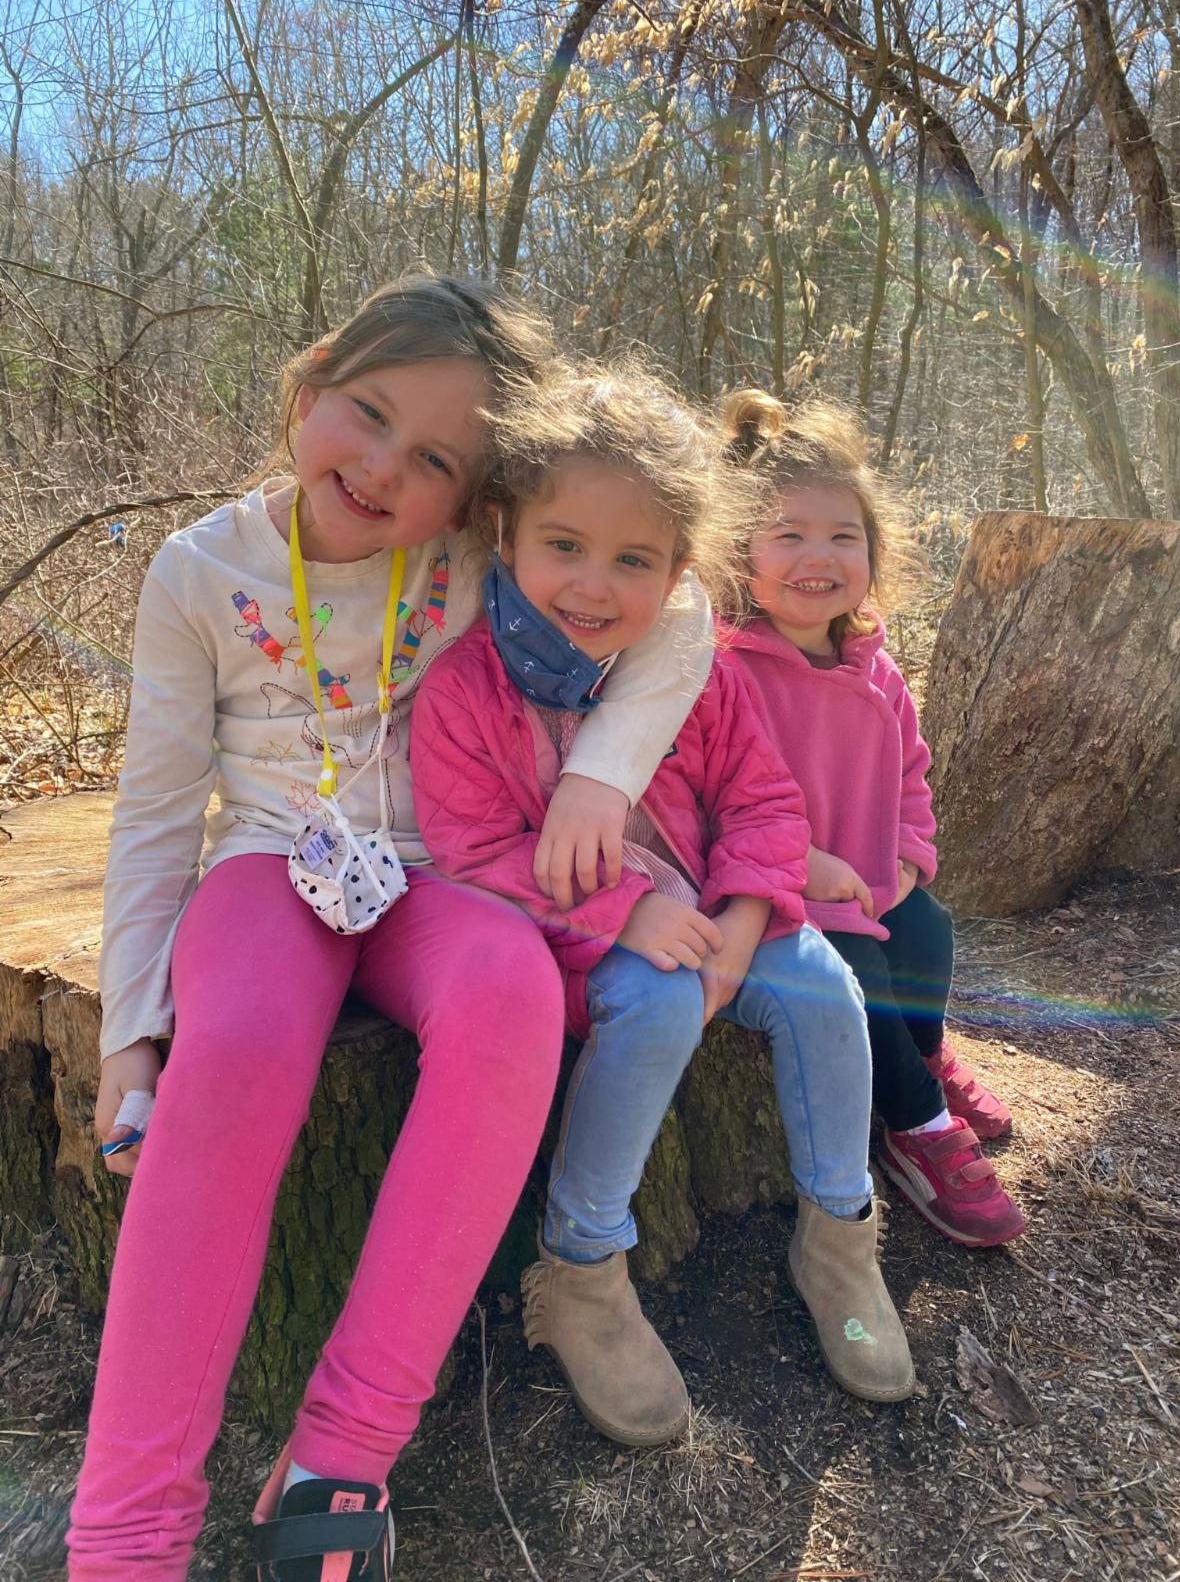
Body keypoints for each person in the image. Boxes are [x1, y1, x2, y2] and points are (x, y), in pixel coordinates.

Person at [66, 275, 715, 1582]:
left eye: (434, 462)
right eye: (367, 415)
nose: (382, 470)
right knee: (240, 1047)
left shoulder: (482, 554)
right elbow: (155, 812)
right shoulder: (198, 571)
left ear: (475, 494)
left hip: (448, 876)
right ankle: (127, 1529)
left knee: (512, 1000)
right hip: (268, 866)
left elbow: (686, 610)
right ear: (311, 382)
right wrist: (131, 1032)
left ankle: (340, 1456)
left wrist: (600, 779)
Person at [411, 361, 914, 1450]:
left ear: (681, 571)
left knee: (825, 987)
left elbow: (765, 801)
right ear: (505, 535)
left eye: (633, 560)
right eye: (565, 546)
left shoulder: (699, 674)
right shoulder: (463, 688)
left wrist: (747, 917)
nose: (594, 586)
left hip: (716, 915)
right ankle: (582, 1268)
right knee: (659, 1001)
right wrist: (626, 912)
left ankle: (838, 1236)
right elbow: (474, 851)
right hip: (581, 945)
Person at [720, 389, 1025, 1250]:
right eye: (787, 535)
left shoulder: (875, 667)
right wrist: (799, 864)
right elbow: (706, 799)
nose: (818, 557)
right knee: (855, 975)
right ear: (735, 550)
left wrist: (909, 858)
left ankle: (924, 1056)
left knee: (928, 930)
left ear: (873, 551)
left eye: (843, 537)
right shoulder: (724, 668)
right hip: (779, 898)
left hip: (871, 881)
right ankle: (917, 1125)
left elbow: (910, 775)